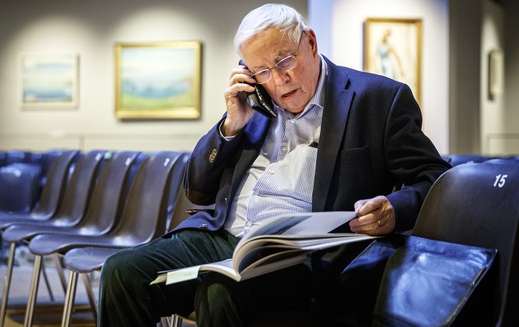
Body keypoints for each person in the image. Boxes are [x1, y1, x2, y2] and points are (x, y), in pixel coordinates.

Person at [98, 3, 451, 326]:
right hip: (224, 237)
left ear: (310, 43)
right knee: (121, 272)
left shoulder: (378, 99)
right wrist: (229, 126)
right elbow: (199, 191)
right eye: (262, 71)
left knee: (218, 291)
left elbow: (434, 179)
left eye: (284, 60)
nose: (279, 79)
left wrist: (393, 209)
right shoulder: (252, 108)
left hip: (302, 256)